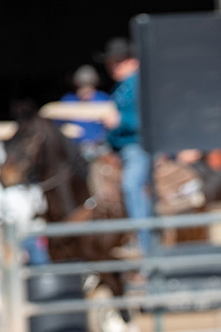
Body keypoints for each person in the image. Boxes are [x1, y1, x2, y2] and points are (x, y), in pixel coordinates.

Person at [102, 37, 153, 256]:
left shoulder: (141, 84)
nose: (113, 66)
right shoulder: (121, 87)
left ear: (132, 61)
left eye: (119, 61)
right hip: (117, 147)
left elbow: (151, 120)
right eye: (112, 62)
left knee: (131, 185)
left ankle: (144, 242)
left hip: (137, 146)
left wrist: (120, 120)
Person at [55, 65, 111, 158]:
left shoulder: (103, 100)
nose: (84, 91)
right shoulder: (68, 101)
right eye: (81, 87)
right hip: (75, 149)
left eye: (88, 87)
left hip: (100, 148)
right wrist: (63, 129)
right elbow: (55, 124)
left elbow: (113, 125)